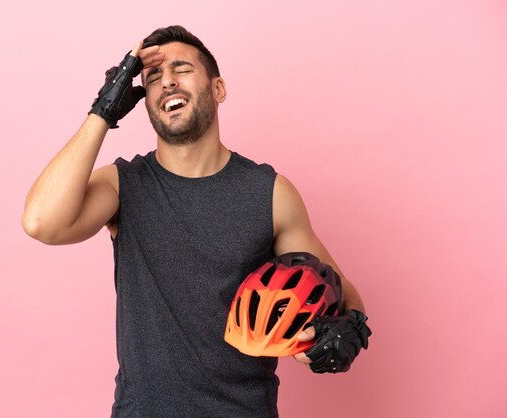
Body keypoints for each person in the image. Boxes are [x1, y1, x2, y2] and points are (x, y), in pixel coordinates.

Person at [22, 25, 371, 418]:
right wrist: (102, 111)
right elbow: (41, 222)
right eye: (152, 77)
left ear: (218, 89)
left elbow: (340, 289)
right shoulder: (122, 186)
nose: (166, 80)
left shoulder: (270, 193)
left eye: (181, 68)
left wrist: (346, 329)